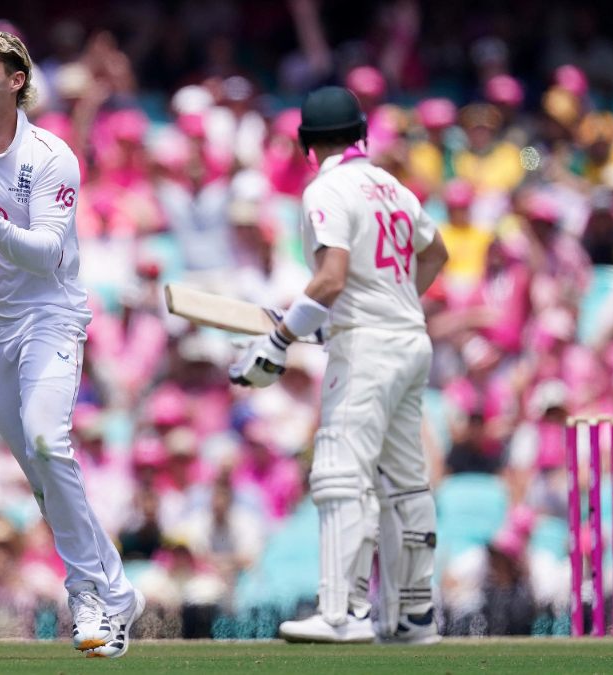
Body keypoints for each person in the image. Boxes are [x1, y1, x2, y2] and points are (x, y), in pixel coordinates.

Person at [0, 30, 143, 658]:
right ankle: (115, 591)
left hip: (49, 314)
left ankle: (89, 595)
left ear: (16, 82)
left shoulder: (51, 156)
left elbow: (46, 255)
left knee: (48, 442)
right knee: (40, 478)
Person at [229, 85, 448, 644]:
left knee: (338, 470)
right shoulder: (393, 186)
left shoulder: (325, 188)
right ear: (363, 136)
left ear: (306, 144)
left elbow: (330, 278)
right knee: (405, 480)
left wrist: (279, 339)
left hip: (369, 347)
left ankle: (342, 613)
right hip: (410, 340)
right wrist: (388, 305)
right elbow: (437, 252)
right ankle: (413, 616)